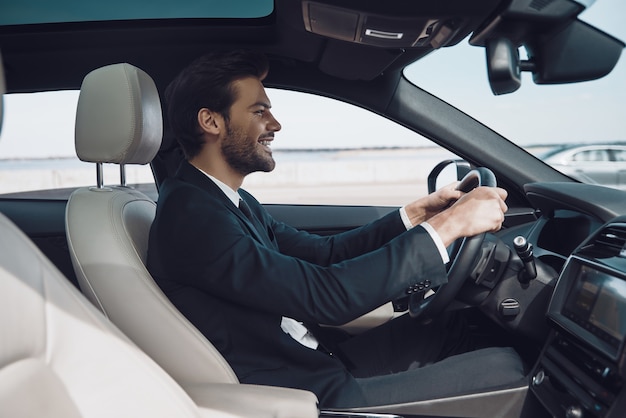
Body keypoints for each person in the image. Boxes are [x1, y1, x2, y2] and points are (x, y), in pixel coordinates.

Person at [147, 49, 524, 408]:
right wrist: (449, 226)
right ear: (211, 121)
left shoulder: (222, 200)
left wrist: (416, 214)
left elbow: (324, 255)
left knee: (452, 326)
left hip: (317, 358)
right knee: (507, 368)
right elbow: (327, 296)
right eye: (259, 111)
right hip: (306, 393)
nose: (275, 125)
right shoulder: (192, 216)